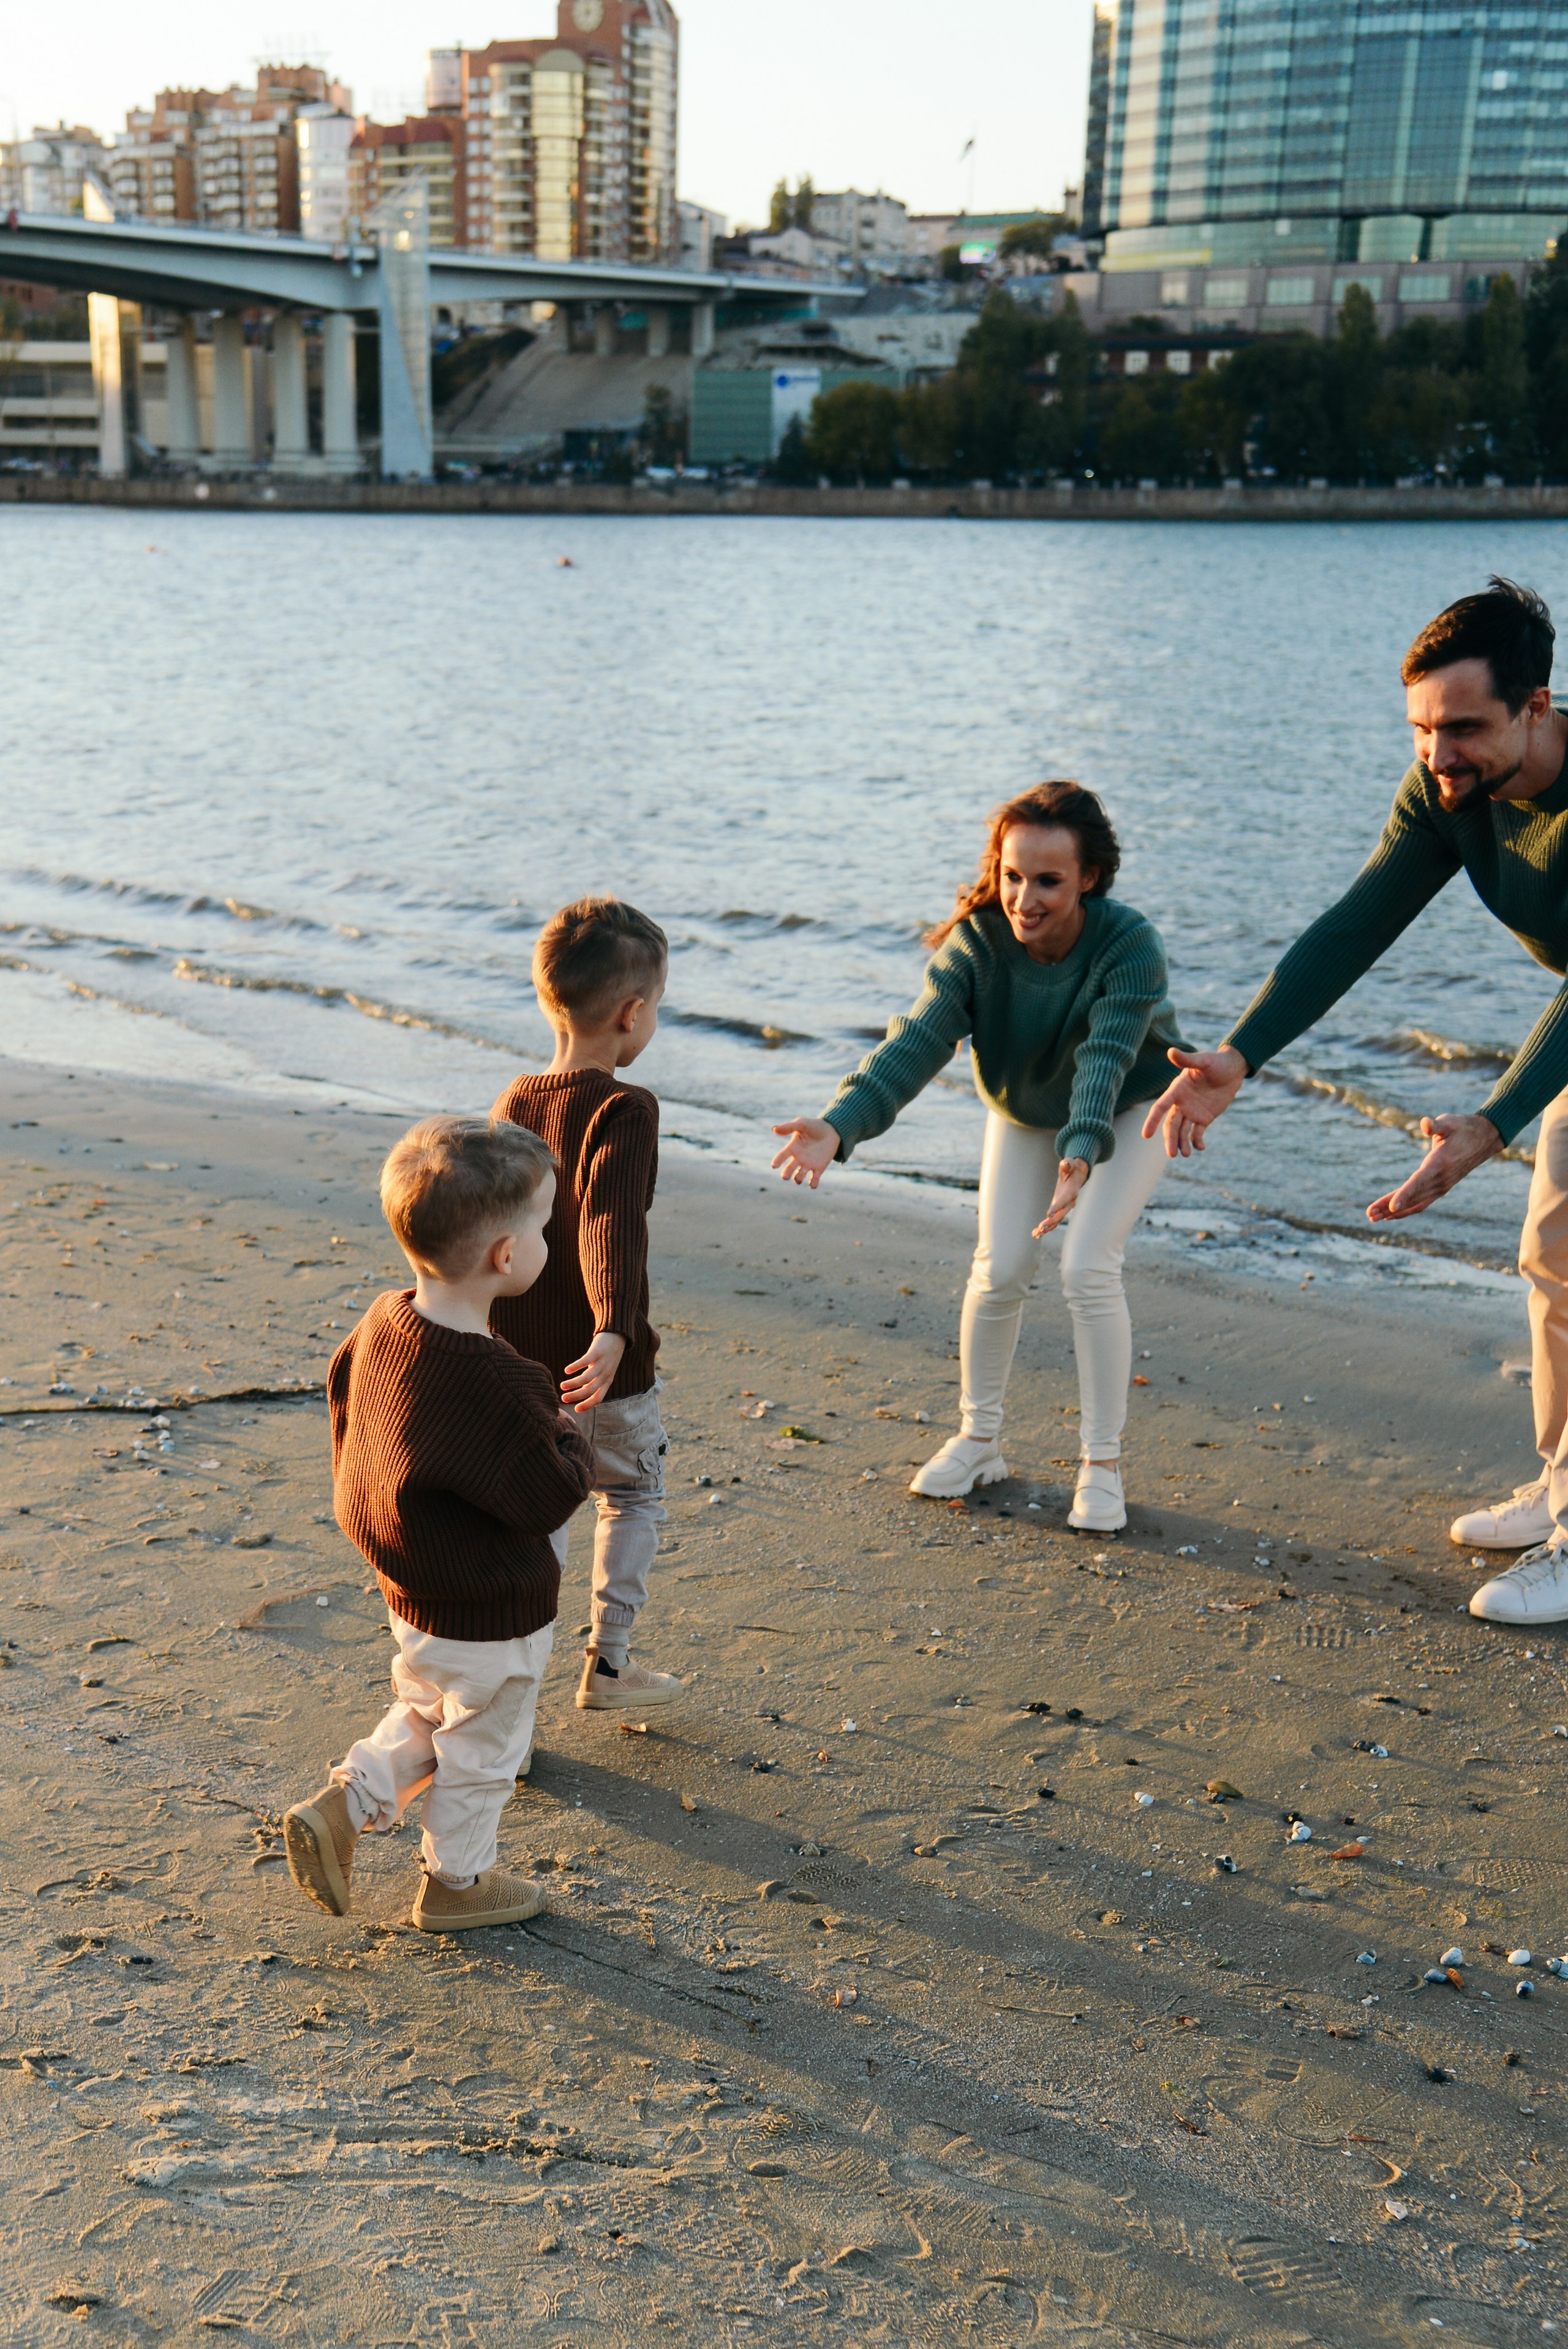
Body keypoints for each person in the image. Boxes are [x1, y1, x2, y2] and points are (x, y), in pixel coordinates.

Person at [1141, 577, 1568, 1627]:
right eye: (1423, 727)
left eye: (1464, 726)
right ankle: (1565, 1483)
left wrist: (1495, 1119)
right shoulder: (1445, 792)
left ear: (1538, 708)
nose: (1439, 752)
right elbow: (1356, 923)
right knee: (1552, 1250)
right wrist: (1241, 1052)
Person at [772, 782, 1185, 1532]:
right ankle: (979, 1439)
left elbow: (1106, 1058)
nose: (1025, 898)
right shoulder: (977, 945)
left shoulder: (1129, 945)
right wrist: (840, 1125)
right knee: (997, 1270)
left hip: (1131, 1107)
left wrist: (1081, 1152)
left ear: (1088, 878)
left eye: (1049, 881)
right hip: (1027, 1108)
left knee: (1087, 1266)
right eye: (1013, 875)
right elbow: (919, 1039)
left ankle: (1100, 1464)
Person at [282, 1116, 595, 1932]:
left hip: (416, 1595)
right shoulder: (504, 1383)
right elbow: (550, 1495)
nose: (549, 1243)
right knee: (484, 1749)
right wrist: (570, 1437)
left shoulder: (385, 1322)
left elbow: (351, 1411)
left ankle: (345, 1805)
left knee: (429, 1711)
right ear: (504, 1255)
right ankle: (457, 1881)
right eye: (543, 1226)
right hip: (495, 1613)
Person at [491, 896, 683, 1711]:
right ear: (633, 1014)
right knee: (631, 1492)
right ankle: (608, 1665)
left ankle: (511, 1688)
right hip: (603, 1366)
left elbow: (488, 1225)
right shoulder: (624, 1108)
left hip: (518, 1363)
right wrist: (611, 1326)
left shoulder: (515, 1101)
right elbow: (611, 1220)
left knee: (536, 1518)